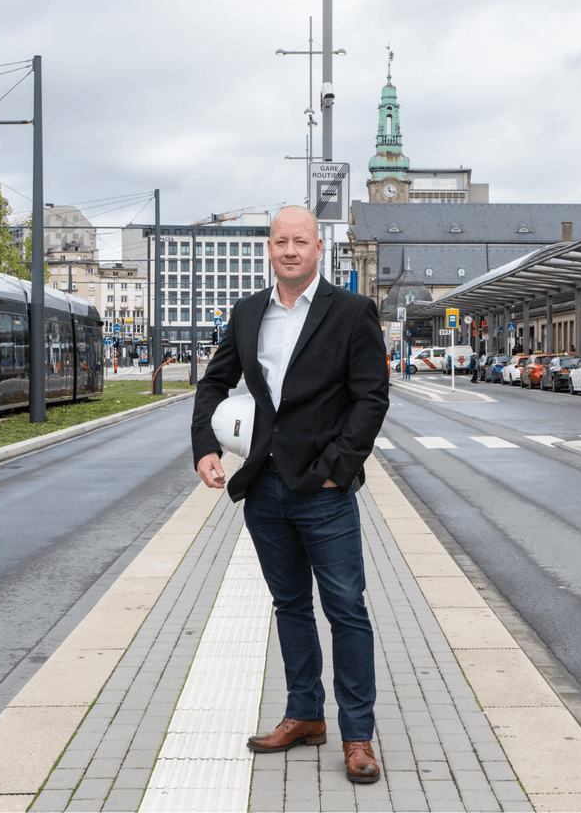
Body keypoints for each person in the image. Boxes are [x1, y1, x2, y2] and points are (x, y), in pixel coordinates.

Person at [191, 206, 390, 784]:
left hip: (324, 492)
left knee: (346, 608)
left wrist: (337, 470)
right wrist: (205, 446)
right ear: (270, 248)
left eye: (301, 241)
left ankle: (357, 736)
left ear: (318, 248)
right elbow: (214, 382)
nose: (290, 250)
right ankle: (305, 714)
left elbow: (371, 398)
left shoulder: (351, 311)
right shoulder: (248, 311)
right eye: (281, 241)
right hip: (264, 488)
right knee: (290, 605)